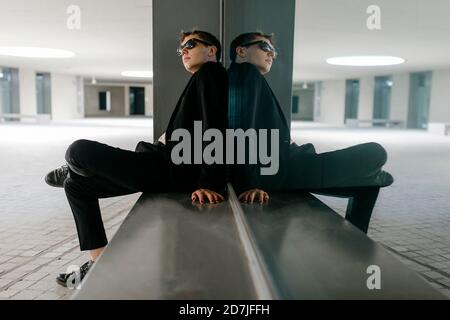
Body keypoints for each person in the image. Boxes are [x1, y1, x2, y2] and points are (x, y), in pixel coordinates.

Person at [44, 30, 228, 287]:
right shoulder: (201, 79)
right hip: (159, 166)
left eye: (191, 44)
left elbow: (216, 127)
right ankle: (98, 263)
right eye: (181, 48)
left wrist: (209, 180)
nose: (184, 51)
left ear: (212, 50)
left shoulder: (212, 72)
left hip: (165, 168)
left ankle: (72, 168)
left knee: (78, 150)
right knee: (76, 187)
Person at [227, 32, 393, 231]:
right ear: (241, 51)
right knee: (375, 152)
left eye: (274, 51)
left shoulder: (246, 77)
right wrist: (249, 183)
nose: (272, 54)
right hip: (286, 170)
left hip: (288, 166)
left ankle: (359, 237)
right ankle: (376, 176)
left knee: (367, 185)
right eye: (265, 47)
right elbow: (240, 130)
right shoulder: (245, 74)